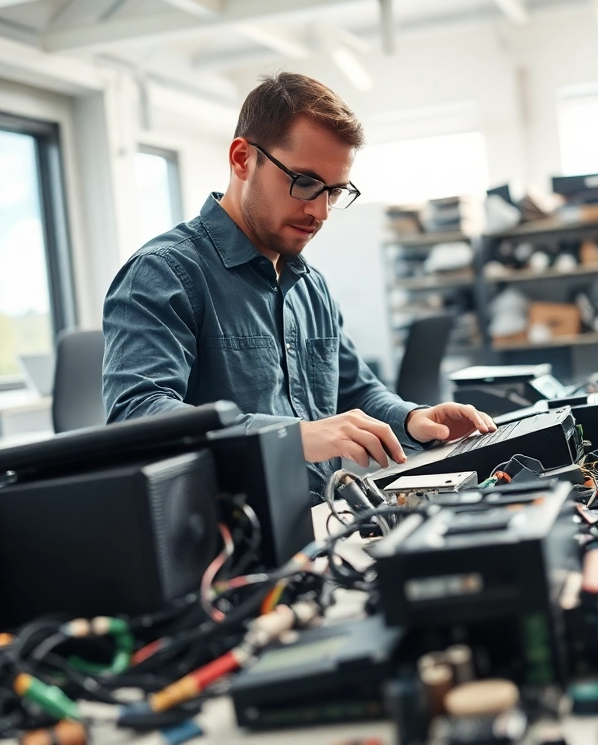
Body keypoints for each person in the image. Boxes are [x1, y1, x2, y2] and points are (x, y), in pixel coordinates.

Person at [102, 72, 495, 484]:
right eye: (305, 183)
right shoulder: (165, 272)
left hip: (327, 519)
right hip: (234, 534)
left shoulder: (311, 287)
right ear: (241, 159)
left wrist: (413, 419)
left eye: (335, 192)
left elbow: (355, 390)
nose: (321, 212)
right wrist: (288, 436)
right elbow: (138, 415)